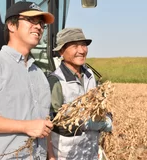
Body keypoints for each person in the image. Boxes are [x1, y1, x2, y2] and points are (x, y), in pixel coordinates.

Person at [0, 2, 55, 160]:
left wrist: (51, 156)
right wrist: (26, 126)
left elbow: (43, 123)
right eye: (32, 20)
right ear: (11, 25)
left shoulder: (40, 75)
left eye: (41, 23)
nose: (39, 27)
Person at [47, 28, 113, 160]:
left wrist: (107, 118)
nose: (82, 50)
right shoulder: (56, 81)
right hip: (66, 154)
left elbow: (100, 107)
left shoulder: (90, 76)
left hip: (90, 153)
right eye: (75, 46)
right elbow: (52, 122)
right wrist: (86, 123)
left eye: (83, 45)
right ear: (61, 51)